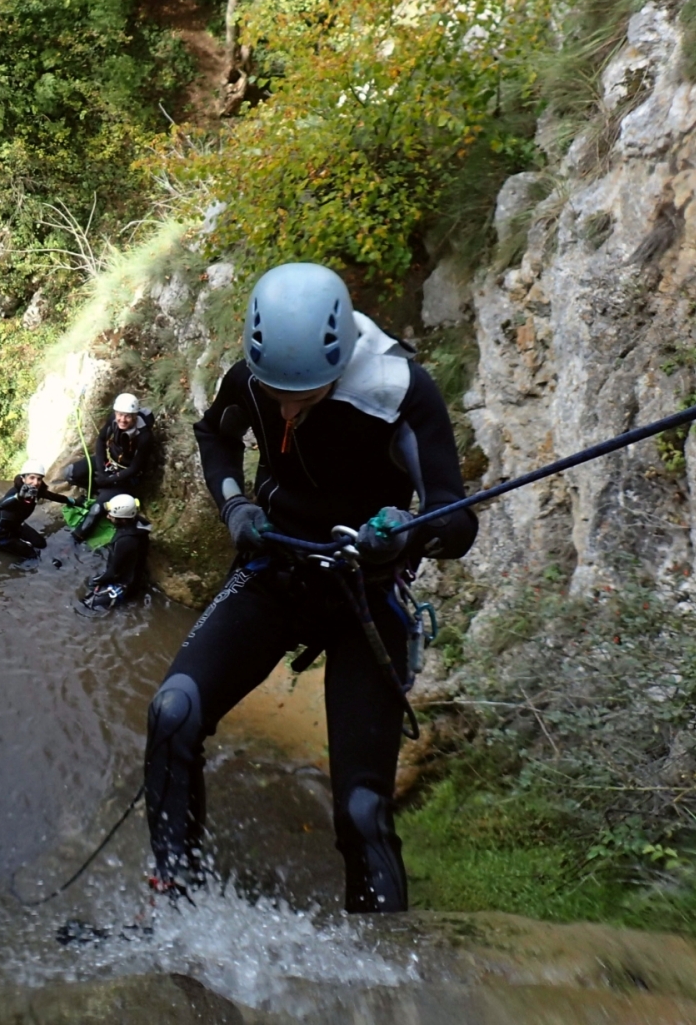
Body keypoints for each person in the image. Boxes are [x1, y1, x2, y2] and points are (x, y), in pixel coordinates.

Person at [142, 263, 477, 912]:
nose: (288, 409)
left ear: (342, 365)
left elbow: (456, 519)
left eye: (309, 396)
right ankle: (175, 906)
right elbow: (216, 435)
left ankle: (381, 967)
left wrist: (404, 534)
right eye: (277, 394)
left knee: (362, 808)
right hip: (277, 573)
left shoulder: (399, 392)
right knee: (172, 713)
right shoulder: (251, 377)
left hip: (364, 593)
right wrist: (236, 504)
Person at [66, 393, 155, 542]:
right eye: (120, 415)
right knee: (70, 474)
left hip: (125, 477)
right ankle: (100, 491)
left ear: (135, 416)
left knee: (96, 511)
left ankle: (76, 538)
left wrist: (108, 480)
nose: (122, 420)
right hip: (108, 463)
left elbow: (135, 468)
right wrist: (102, 471)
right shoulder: (113, 421)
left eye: (127, 416)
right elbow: (101, 441)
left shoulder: (144, 437)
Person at [0, 463, 77, 559]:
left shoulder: (37, 491)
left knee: (41, 544)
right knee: (32, 556)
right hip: (0, 532)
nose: (36, 482)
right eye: (32, 478)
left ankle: (14, 541)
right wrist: (19, 497)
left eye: (39, 479)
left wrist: (72, 501)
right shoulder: (15, 492)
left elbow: (53, 496)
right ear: (23, 479)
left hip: (16, 525)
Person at [82, 493, 151, 612]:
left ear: (123, 520)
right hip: (135, 573)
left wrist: (96, 581)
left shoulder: (125, 541)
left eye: (112, 516)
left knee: (87, 605)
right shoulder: (140, 525)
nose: (108, 517)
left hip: (126, 585)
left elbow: (113, 573)